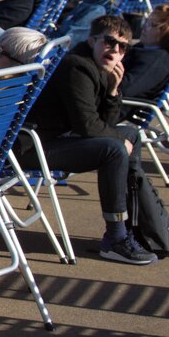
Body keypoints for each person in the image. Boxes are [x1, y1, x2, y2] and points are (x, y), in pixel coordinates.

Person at [28, 15, 158, 266]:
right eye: (109, 42)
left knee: (129, 135)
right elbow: (88, 126)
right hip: (33, 145)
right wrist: (118, 139)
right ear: (92, 40)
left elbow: (103, 124)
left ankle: (133, 223)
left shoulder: (98, 69)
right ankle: (116, 238)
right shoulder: (77, 67)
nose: (115, 50)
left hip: (55, 139)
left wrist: (112, 91)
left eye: (123, 47)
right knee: (114, 148)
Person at [120, 4, 169, 103]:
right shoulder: (143, 48)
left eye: (152, 25)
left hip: (112, 106)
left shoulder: (157, 60)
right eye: (146, 21)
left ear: (167, 33)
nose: (143, 26)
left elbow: (125, 88)